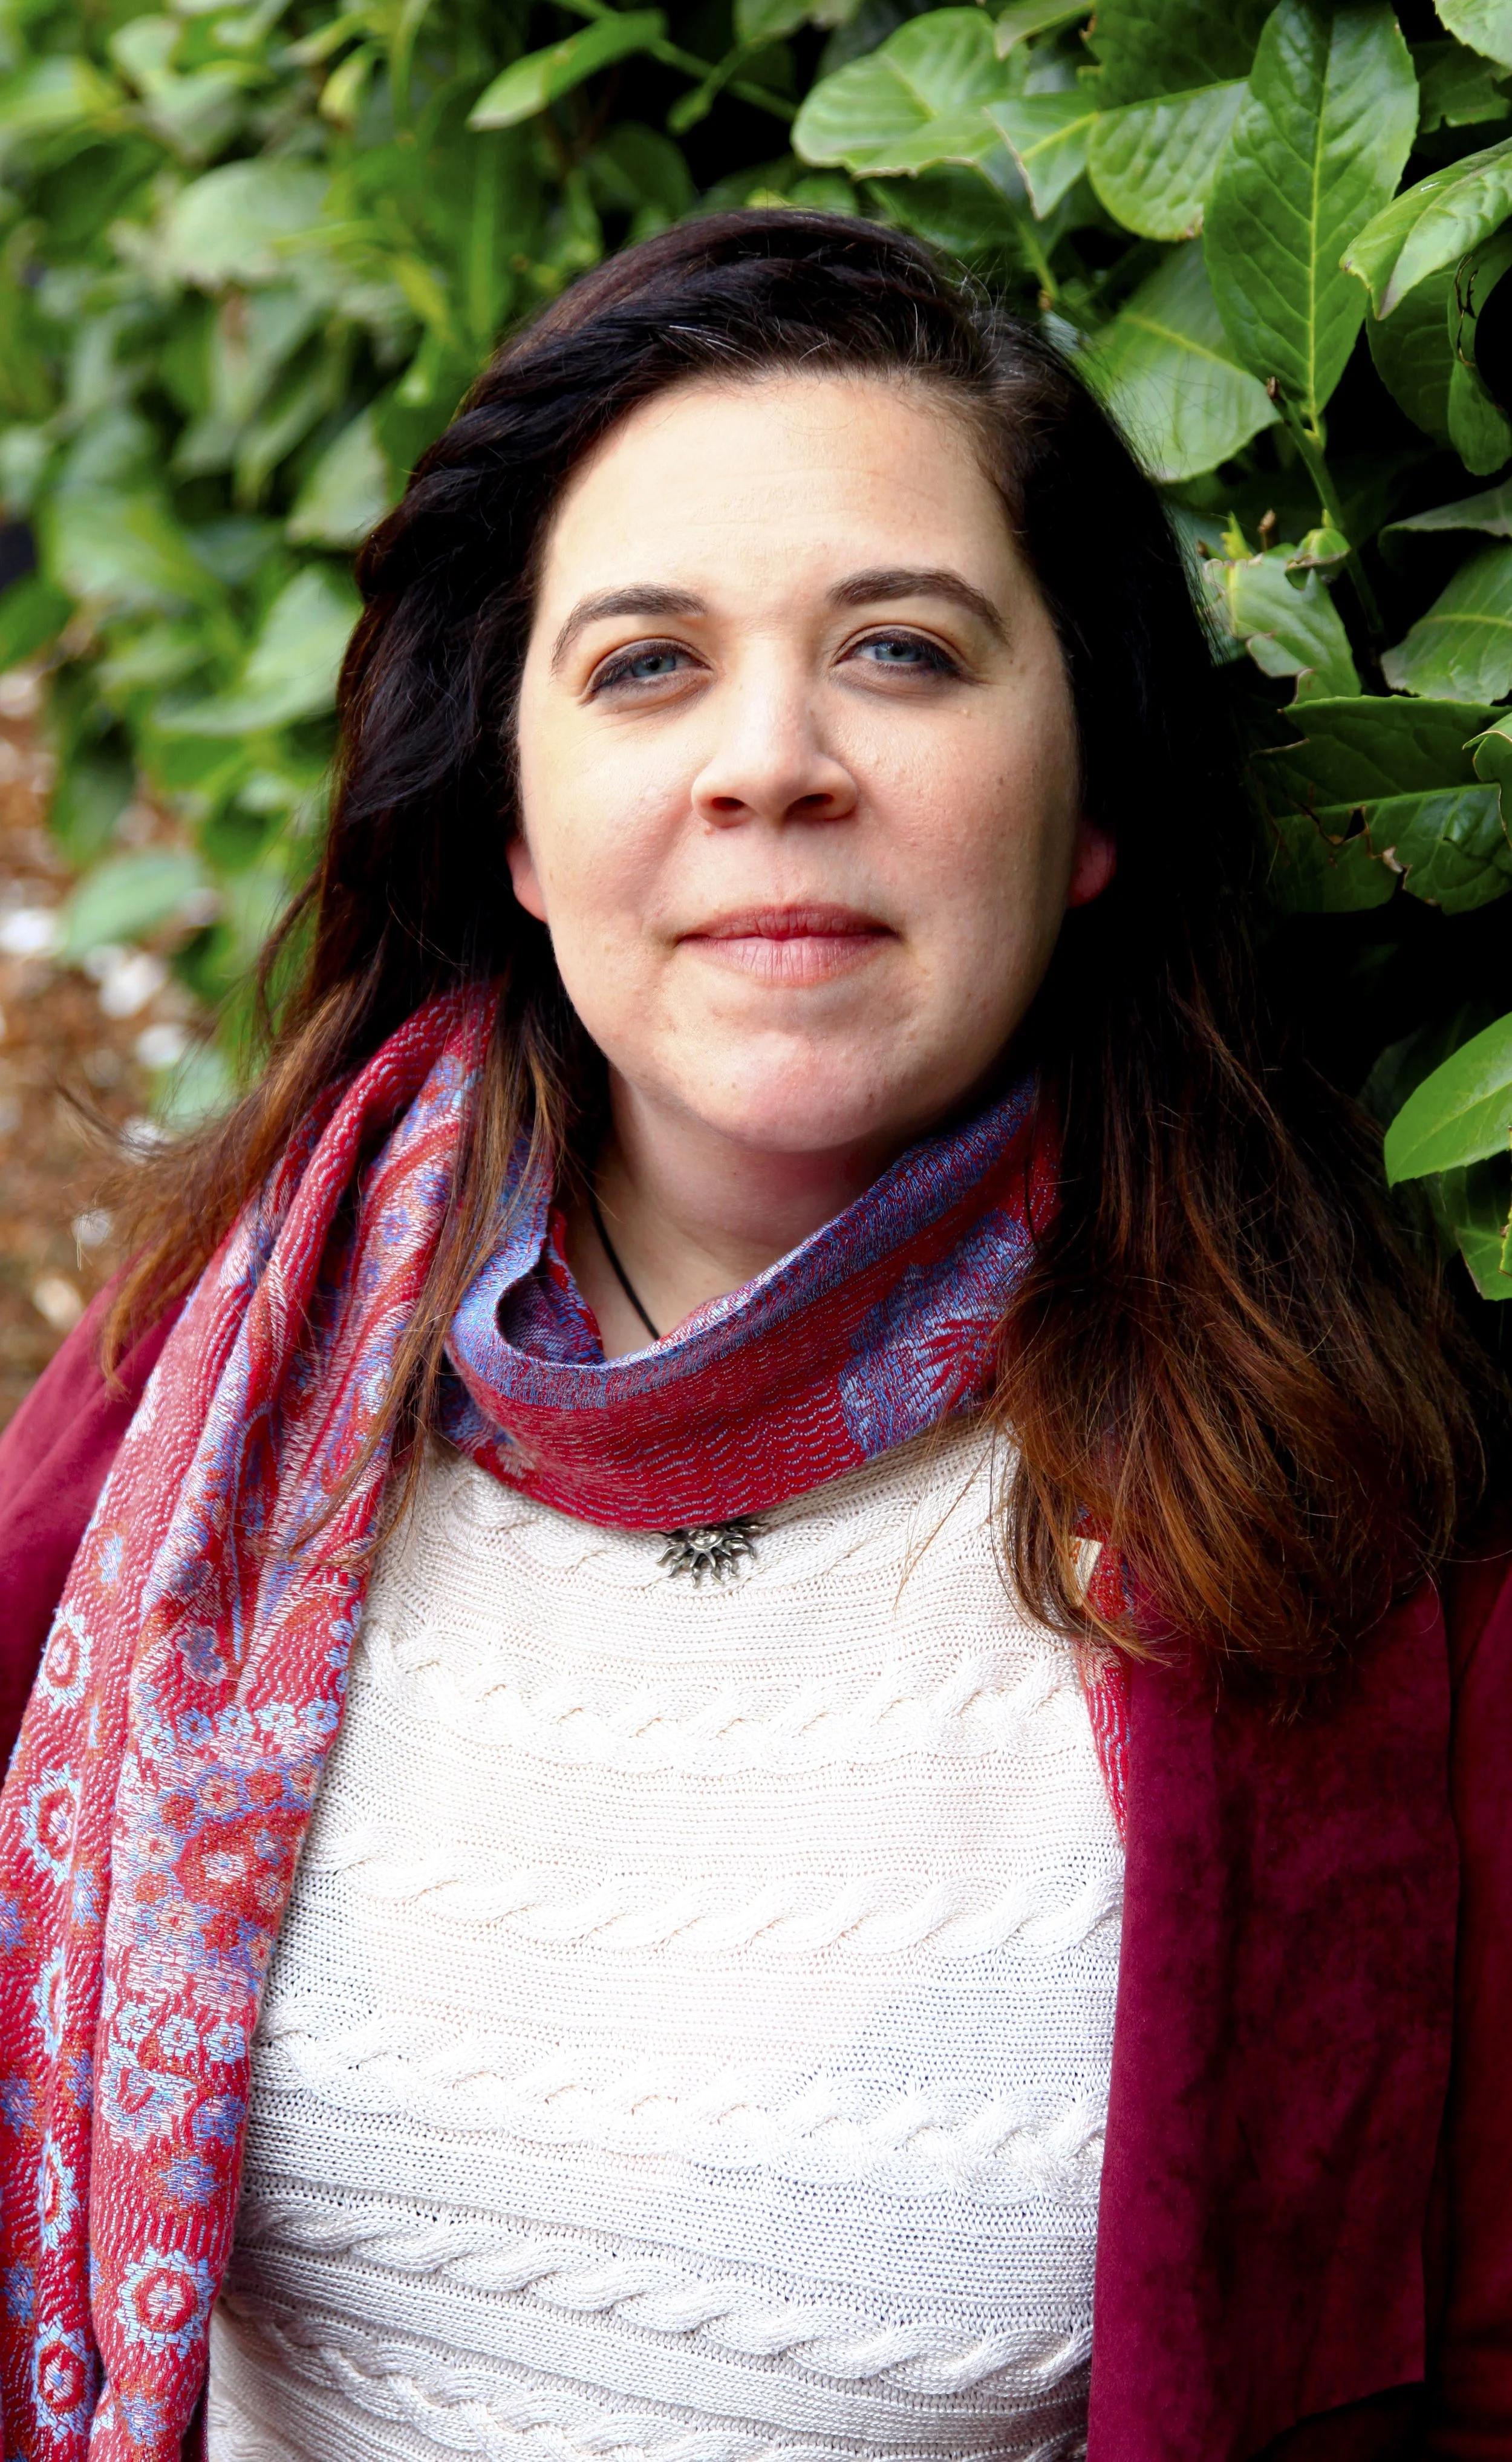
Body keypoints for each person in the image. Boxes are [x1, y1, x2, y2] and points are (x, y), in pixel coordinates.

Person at [0, 210, 1506, 2462]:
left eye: (899, 650)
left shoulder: (1351, 1534)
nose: (769, 762)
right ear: (513, 818)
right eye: (642, 667)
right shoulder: (201, 1394)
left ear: (1090, 800)